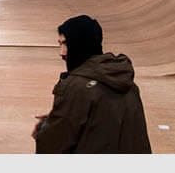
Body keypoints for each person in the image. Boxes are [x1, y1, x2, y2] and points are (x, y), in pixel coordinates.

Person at [32, 14, 151, 154]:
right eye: (60, 44)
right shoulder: (129, 85)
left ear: (79, 45)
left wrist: (45, 127)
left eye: (65, 44)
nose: (62, 52)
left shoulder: (77, 87)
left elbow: (52, 143)